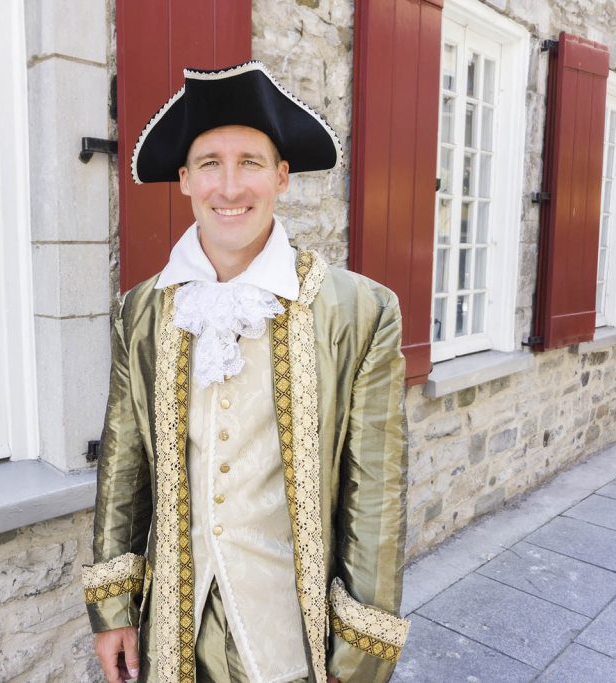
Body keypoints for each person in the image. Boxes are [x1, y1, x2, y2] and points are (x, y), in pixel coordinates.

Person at [83, 61, 409, 683]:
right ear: (184, 179)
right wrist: (114, 611)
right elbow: (124, 468)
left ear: (282, 176)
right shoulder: (141, 311)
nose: (229, 187)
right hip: (175, 630)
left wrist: (362, 652)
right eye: (209, 163)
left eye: (251, 163)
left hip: (293, 636)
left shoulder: (361, 311)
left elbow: (376, 497)